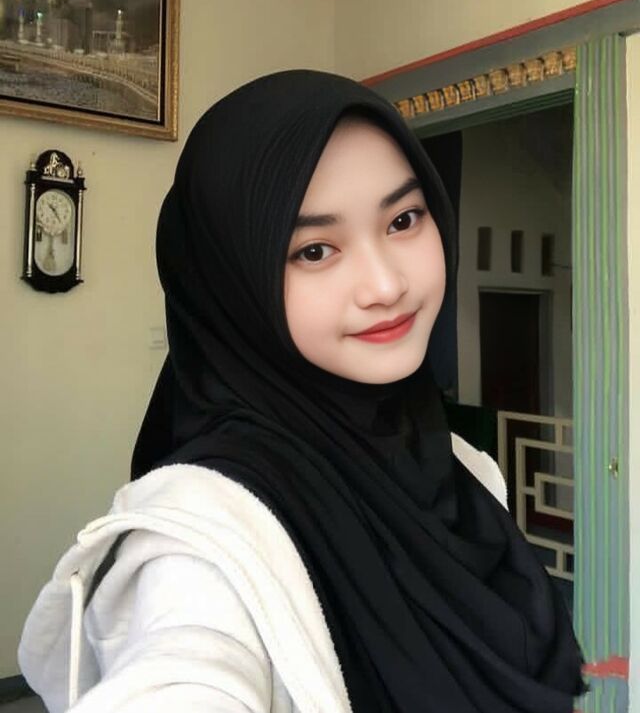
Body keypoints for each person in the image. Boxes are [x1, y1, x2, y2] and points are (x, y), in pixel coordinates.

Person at [19, 70, 589, 712]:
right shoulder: (203, 534)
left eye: (403, 219)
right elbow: (187, 665)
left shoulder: (465, 470)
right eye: (315, 250)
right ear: (234, 285)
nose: (386, 285)